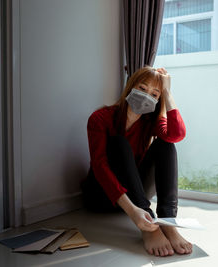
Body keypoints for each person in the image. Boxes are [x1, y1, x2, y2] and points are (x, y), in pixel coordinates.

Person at [81, 66, 192, 257]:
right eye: (142, 88)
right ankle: (150, 228)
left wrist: (167, 92)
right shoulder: (100, 118)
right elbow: (99, 166)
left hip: (135, 193)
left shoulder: (150, 121)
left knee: (165, 144)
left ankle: (167, 222)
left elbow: (177, 134)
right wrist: (133, 212)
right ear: (130, 87)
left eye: (154, 93)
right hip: (102, 196)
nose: (146, 95)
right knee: (118, 143)